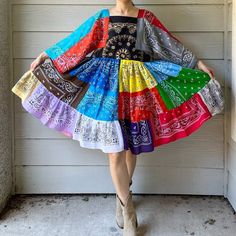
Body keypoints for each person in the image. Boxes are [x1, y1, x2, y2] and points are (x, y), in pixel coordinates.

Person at [11, 1, 224, 235]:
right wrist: (47, 55)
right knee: (115, 152)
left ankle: (122, 197)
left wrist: (198, 64)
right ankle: (128, 208)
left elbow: (169, 45)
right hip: (106, 87)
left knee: (131, 147)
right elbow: (77, 43)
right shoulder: (102, 17)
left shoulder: (145, 17)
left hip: (137, 87)